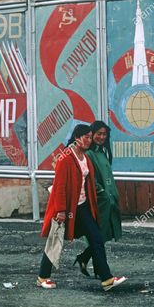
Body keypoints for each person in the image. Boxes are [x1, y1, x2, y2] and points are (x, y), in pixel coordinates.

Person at [37, 124, 126, 291]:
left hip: (83, 207)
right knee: (56, 240)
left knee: (96, 239)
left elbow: (87, 185)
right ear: (77, 138)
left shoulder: (85, 157)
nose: (89, 140)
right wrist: (61, 211)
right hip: (68, 209)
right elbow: (60, 187)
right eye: (86, 137)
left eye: (90, 137)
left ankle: (107, 279)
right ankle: (43, 277)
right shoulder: (66, 159)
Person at [74, 121, 122, 278]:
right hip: (98, 202)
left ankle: (85, 259)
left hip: (108, 201)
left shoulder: (103, 152)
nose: (101, 137)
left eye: (104, 134)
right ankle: (102, 273)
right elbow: (90, 180)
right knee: (98, 236)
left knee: (102, 235)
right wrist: (102, 193)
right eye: (98, 134)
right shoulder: (89, 154)